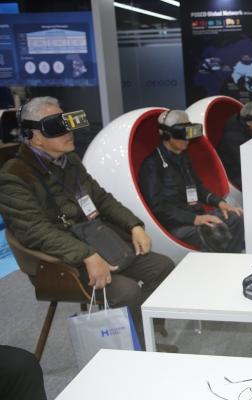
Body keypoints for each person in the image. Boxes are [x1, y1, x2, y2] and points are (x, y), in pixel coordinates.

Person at [0, 97, 176, 352]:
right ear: (34, 136)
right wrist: (86, 255)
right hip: (62, 261)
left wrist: (134, 225)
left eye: (68, 125)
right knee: (127, 291)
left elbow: (101, 199)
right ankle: (140, 350)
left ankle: (143, 332)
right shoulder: (15, 176)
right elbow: (35, 232)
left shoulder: (69, 161)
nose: (69, 133)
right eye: (58, 127)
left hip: (96, 241)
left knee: (162, 266)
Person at [138, 109, 244, 253]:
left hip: (196, 216)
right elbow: (158, 208)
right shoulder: (152, 164)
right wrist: (195, 219)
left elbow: (199, 190)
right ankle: (218, 263)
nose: (187, 138)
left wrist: (221, 203)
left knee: (236, 217)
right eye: (183, 133)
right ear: (167, 134)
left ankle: (232, 260)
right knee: (216, 231)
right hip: (176, 225)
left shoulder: (184, 159)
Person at [216, 102, 252, 190]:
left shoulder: (250, 130)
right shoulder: (231, 137)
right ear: (248, 122)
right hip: (236, 174)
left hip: (250, 170)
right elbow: (248, 162)